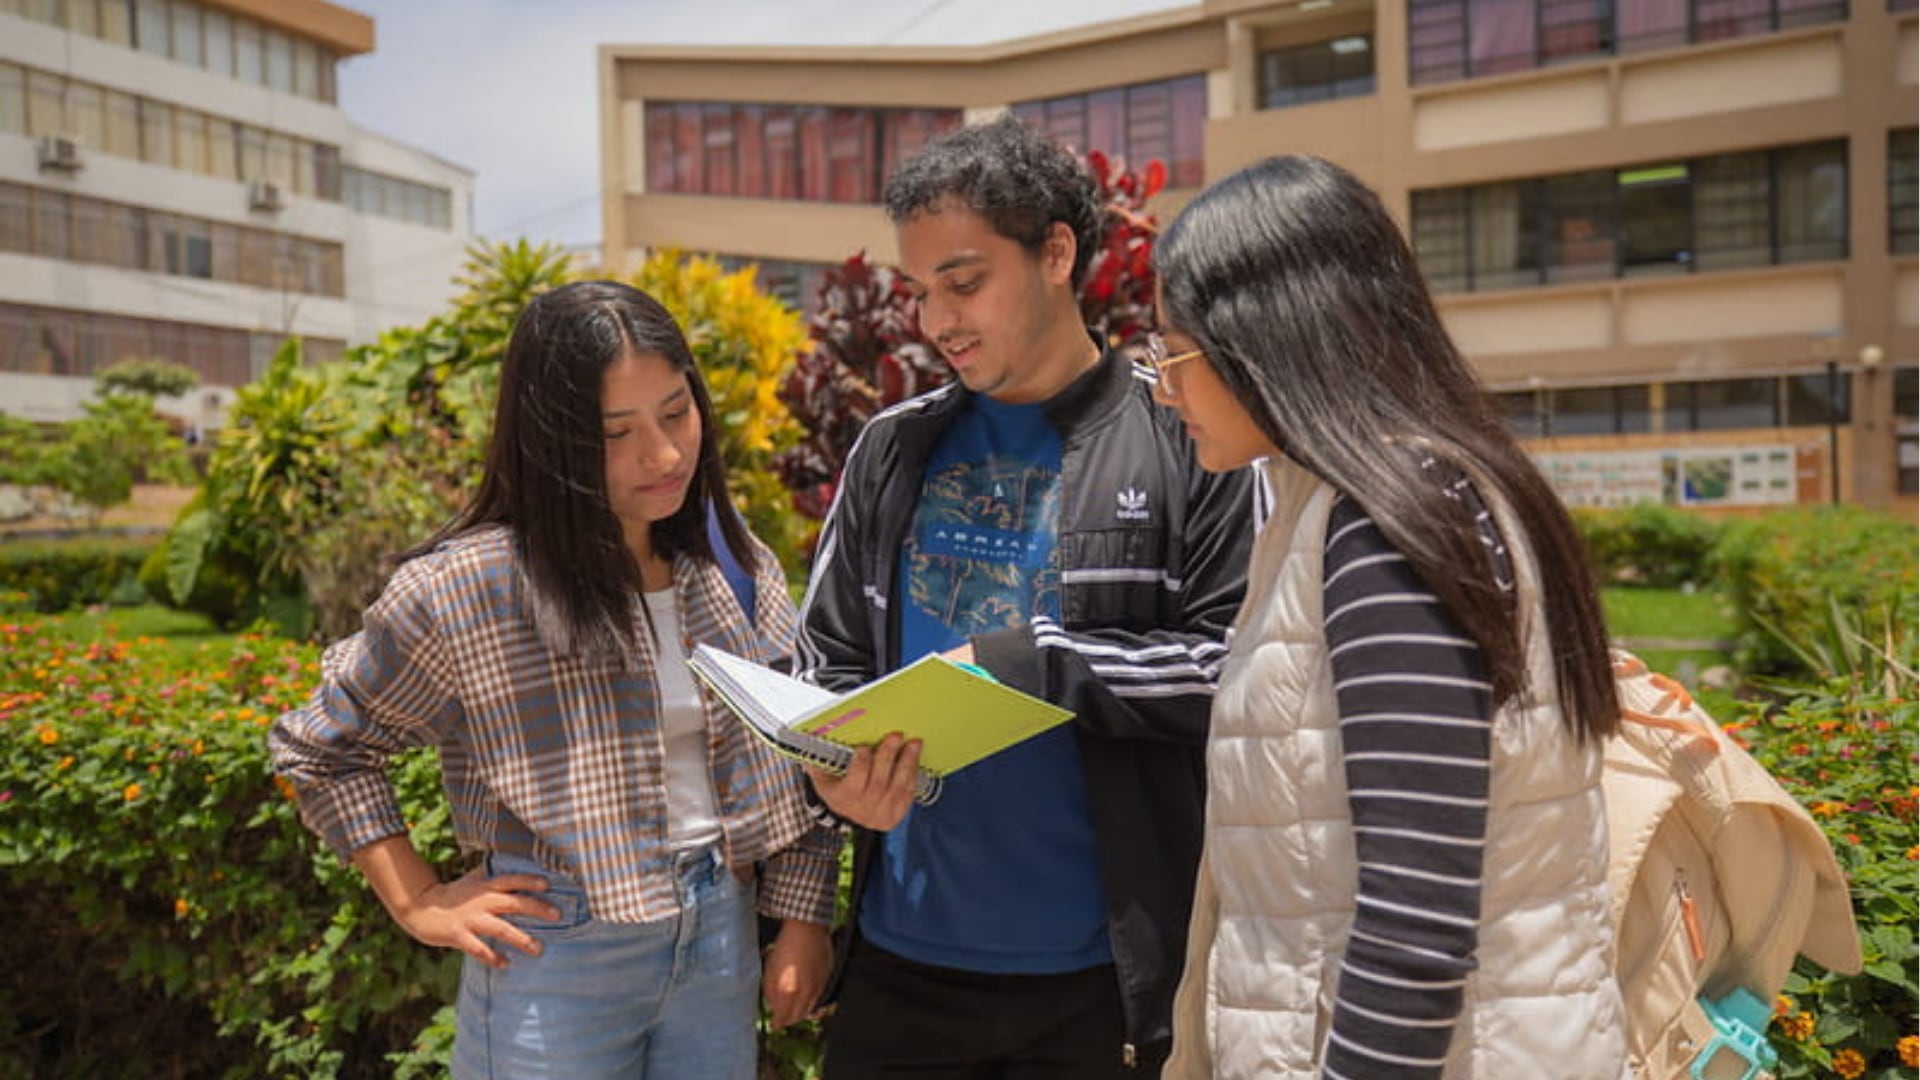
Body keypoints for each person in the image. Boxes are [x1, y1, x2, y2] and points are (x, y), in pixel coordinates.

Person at [269, 281, 838, 1079]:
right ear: (549, 441)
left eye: (676, 412)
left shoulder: (731, 563)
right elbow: (322, 747)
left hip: (720, 938)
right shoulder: (466, 589)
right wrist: (417, 899)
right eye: (616, 432)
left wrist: (803, 919)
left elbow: (798, 744)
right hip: (558, 954)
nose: (664, 454)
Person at [793, 115, 1256, 1078]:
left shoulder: (1186, 438)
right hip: (900, 965)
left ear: (1055, 253)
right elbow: (827, 661)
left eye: (963, 283)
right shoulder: (892, 449)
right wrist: (829, 772)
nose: (937, 323)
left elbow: (1239, 670)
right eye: (922, 292)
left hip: (1105, 984)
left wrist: (1040, 666)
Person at [1149, 154, 1629, 1079]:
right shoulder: (1353, 499)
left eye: (1174, 354)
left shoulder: (1389, 524)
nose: (1165, 391)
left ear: (1271, 338)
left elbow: (1416, 928)